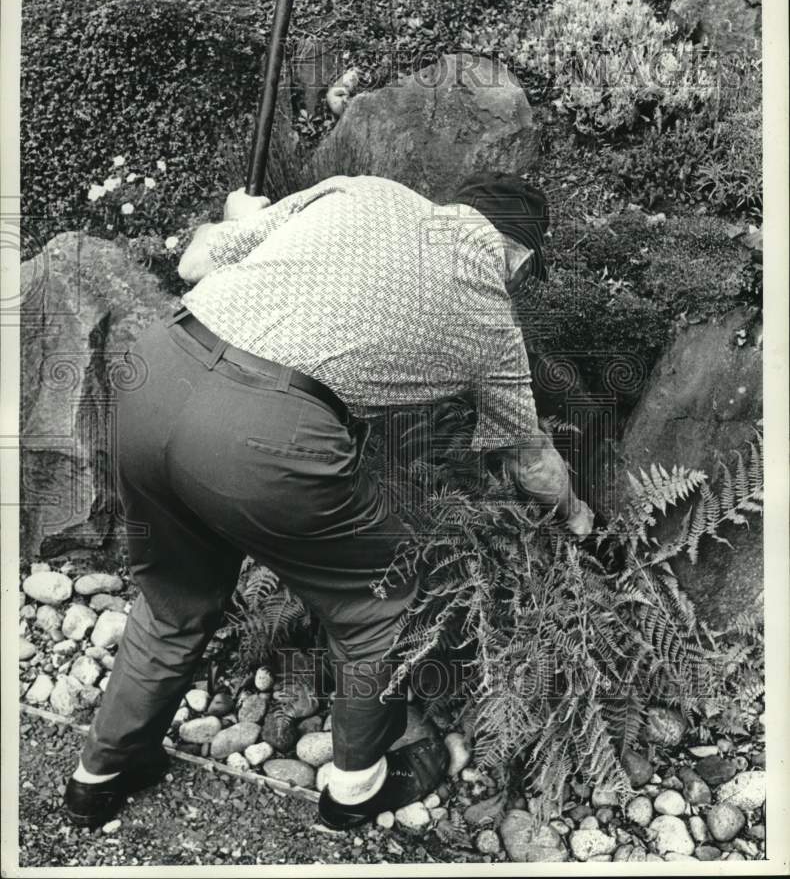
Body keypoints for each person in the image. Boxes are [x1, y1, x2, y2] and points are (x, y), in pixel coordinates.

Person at [64, 172, 594, 831]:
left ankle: (101, 773)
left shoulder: (362, 192)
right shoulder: (491, 321)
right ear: (518, 255)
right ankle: (354, 789)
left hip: (151, 380)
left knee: (173, 599)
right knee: (378, 601)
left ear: (457, 205)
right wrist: (576, 514)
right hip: (263, 436)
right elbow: (530, 460)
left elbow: (196, 259)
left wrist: (236, 214)